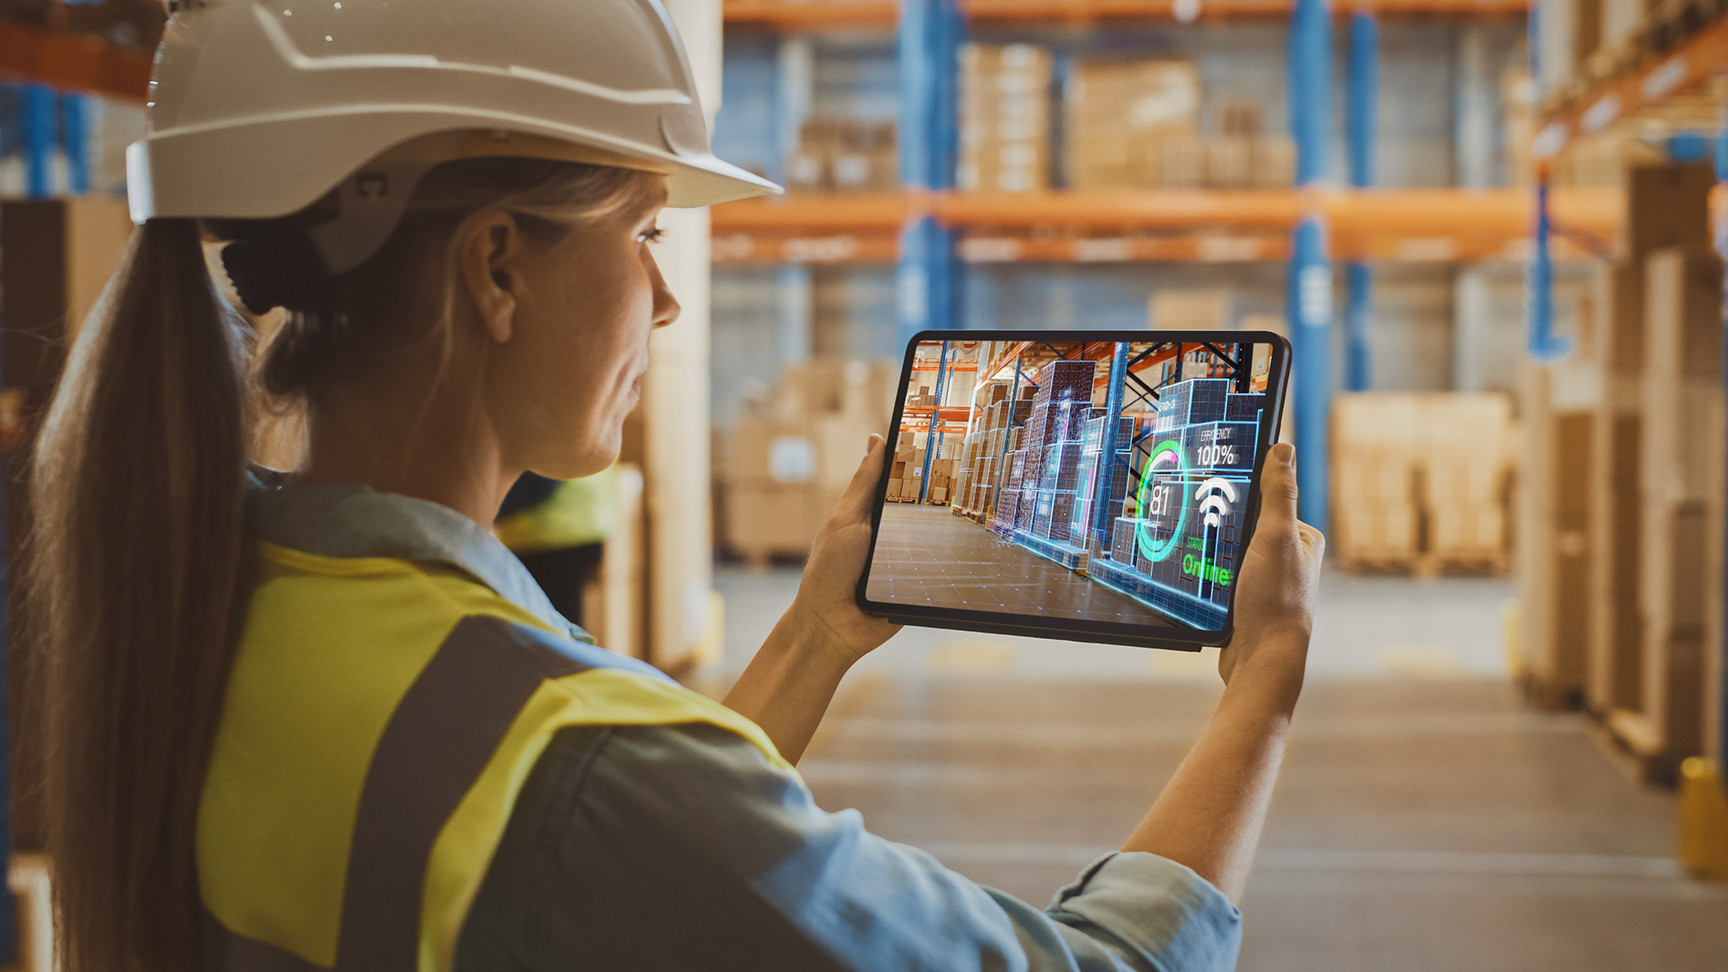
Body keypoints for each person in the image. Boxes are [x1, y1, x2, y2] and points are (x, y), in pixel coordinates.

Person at [24, 2, 1325, 971]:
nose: (668, 293)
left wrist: (817, 634)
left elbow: (604, 855)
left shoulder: (211, 596)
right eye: (643, 230)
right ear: (496, 271)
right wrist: (1264, 681)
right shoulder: (564, 758)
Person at [494, 468, 623, 628]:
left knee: (551, 632)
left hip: (546, 535)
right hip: (582, 523)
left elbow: (538, 485)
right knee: (563, 629)